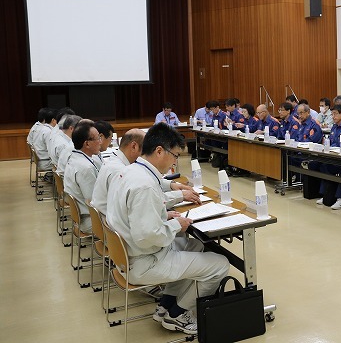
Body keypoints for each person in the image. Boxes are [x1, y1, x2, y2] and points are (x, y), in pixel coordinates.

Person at [106, 123, 229, 334]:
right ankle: (178, 315)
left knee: (195, 245)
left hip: (128, 256)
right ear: (159, 150)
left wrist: (162, 214)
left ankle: (166, 303)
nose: (175, 162)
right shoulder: (144, 185)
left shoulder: (129, 172)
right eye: (175, 155)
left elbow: (136, 214)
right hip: (144, 261)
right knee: (219, 264)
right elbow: (147, 237)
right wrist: (175, 224)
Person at [91, 128, 200, 216]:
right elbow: (151, 199)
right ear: (134, 146)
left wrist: (171, 185)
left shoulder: (118, 162)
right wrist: (180, 196)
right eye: (145, 149)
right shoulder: (119, 170)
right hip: (115, 227)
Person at [315, 105, 341, 209]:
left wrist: (331, 147)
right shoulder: (334, 126)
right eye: (332, 114)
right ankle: (326, 194)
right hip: (334, 156)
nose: (333, 116)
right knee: (323, 165)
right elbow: (332, 141)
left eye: (335, 114)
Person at [63, 120, 101, 233]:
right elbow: (94, 202)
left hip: (85, 216)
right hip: (90, 221)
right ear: (87, 144)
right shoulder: (85, 168)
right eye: (98, 138)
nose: (100, 141)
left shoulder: (76, 158)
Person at [31, 107, 56, 172]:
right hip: (45, 163)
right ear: (53, 120)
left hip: (41, 161)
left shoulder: (42, 128)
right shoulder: (48, 131)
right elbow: (51, 151)